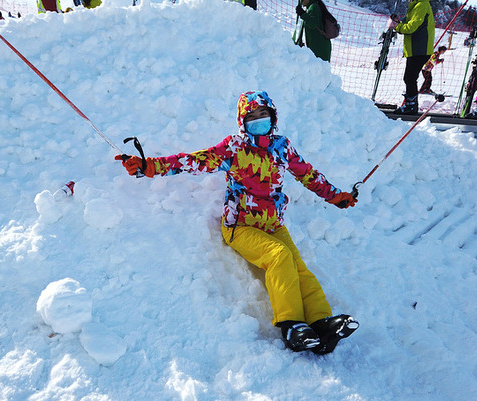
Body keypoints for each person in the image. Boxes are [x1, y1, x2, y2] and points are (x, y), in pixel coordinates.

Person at [115, 90, 359, 354]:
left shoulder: (282, 147)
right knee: (279, 256)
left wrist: (337, 197)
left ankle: (321, 322)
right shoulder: (234, 148)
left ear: (273, 116)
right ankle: (292, 325)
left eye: (263, 114)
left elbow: (307, 174)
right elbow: (193, 161)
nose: (258, 119)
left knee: (299, 268)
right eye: (251, 116)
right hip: (240, 227)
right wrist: (149, 166)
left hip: (273, 225)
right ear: (243, 121)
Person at [391, 0, 435, 114]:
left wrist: (397, 26)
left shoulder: (421, 5)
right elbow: (409, 24)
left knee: (410, 77)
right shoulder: (416, 5)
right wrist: (398, 23)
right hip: (416, 49)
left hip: (419, 49)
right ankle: (411, 104)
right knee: (410, 77)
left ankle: (411, 105)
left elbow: (411, 28)